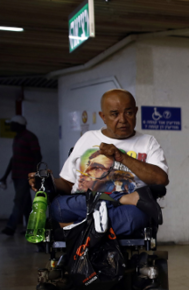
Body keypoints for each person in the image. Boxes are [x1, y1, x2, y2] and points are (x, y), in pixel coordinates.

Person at [30, 89, 169, 236]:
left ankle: (77, 229)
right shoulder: (88, 139)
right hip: (86, 203)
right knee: (57, 207)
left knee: (136, 216)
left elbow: (161, 179)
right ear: (103, 116)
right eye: (115, 114)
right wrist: (47, 180)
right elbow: (68, 183)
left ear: (135, 111)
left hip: (125, 210)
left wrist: (121, 156)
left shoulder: (148, 142)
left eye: (128, 113)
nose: (122, 119)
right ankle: (123, 200)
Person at [1, 115, 42, 236]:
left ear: (19, 125)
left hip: (26, 175)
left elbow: (37, 156)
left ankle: (10, 227)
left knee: (19, 201)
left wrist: (33, 174)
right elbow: (13, 159)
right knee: (25, 203)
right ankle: (32, 227)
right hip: (17, 175)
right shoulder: (17, 138)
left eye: (12, 124)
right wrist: (5, 175)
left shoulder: (30, 137)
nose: (11, 127)